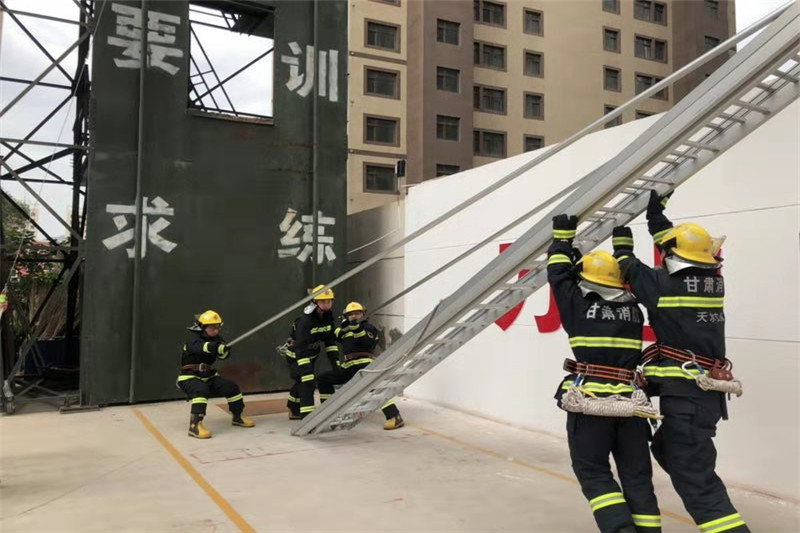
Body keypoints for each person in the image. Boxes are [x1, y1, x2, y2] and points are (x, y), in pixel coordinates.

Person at [612, 191, 748, 533]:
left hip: (688, 399)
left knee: (697, 484)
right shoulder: (713, 281)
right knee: (667, 450)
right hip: (701, 398)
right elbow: (670, 251)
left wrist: (622, 243)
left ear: (672, 256)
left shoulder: (663, 285)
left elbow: (629, 267)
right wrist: (656, 216)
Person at [548, 214, 660, 533]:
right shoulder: (634, 310)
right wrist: (623, 247)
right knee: (638, 477)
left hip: (591, 403)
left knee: (594, 472)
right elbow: (567, 277)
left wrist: (562, 240)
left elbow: (559, 276)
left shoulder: (578, 306)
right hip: (632, 405)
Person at [317, 302, 404, 430]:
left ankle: (395, 416)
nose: (354, 316)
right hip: (348, 367)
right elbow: (330, 334)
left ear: (363, 314)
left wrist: (357, 329)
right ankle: (328, 414)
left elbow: (368, 343)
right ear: (346, 316)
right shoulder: (345, 330)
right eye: (350, 314)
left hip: (364, 364)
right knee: (323, 379)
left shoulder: (369, 328)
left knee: (373, 387)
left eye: (357, 313)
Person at [178, 310, 254, 439]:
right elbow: (201, 348)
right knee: (200, 390)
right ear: (202, 327)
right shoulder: (193, 339)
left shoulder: (217, 339)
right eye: (213, 327)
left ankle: (237, 417)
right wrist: (216, 347)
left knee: (231, 387)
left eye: (218, 327)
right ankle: (195, 426)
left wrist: (224, 351)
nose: (216, 330)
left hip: (209, 376)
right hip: (189, 377)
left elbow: (222, 356)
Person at [285, 285, 340, 419]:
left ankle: (292, 407)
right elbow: (300, 347)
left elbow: (330, 343)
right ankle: (307, 417)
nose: (326, 304)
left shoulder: (328, 319)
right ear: (315, 302)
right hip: (297, 355)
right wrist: (305, 369)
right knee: (307, 381)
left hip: (312, 355)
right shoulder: (305, 321)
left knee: (301, 381)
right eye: (323, 301)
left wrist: (336, 364)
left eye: (329, 301)